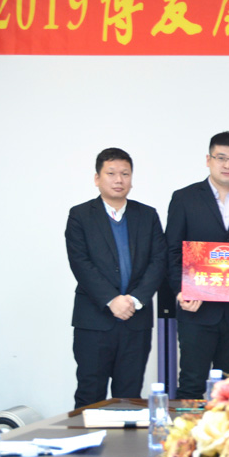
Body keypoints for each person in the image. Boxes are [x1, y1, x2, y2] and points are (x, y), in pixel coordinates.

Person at [165, 132, 229, 399]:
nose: (227, 164)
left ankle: (227, 430)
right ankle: (187, 429)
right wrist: (180, 290)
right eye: (221, 158)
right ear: (208, 160)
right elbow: (172, 251)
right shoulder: (184, 198)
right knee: (191, 385)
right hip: (197, 309)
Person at [65, 148, 166, 409]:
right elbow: (80, 263)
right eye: (111, 173)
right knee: (90, 394)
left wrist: (135, 299)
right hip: (94, 321)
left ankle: (126, 439)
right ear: (97, 178)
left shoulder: (148, 215)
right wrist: (112, 300)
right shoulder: (80, 215)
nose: (119, 180)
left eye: (125, 174)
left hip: (136, 319)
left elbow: (159, 261)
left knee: (129, 398)